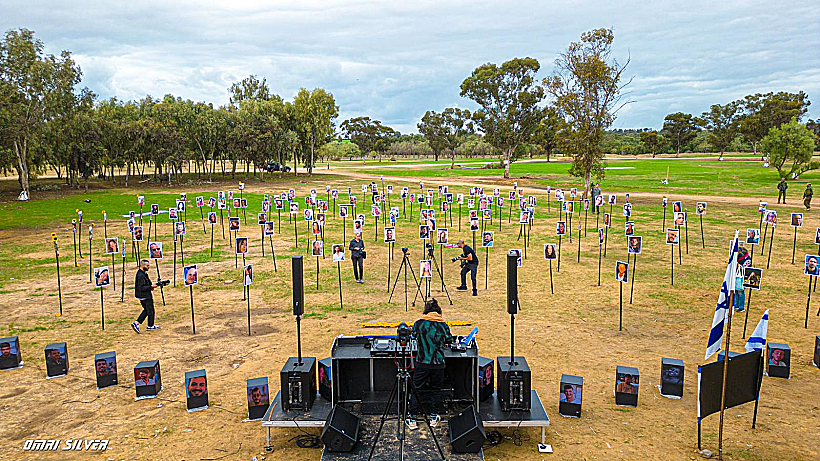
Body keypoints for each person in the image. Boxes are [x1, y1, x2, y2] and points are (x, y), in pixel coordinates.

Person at [406, 299, 454, 430]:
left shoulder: (419, 324)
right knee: (436, 390)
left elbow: (413, 336)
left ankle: (413, 419)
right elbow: (449, 339)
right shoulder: (443, 325)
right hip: (438, 364)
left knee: (417, 390)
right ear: (438, 311)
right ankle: (433, 417)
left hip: (422, 362)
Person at [132, 259, 159, 333]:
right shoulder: (140, 275)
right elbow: (141, 288)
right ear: (142, 265)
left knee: (147, 310)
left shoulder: (143, 273)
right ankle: (142, 324)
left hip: (144, 295)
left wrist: (151, 286)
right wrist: (150, 287)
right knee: (150, 310)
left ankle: (146, 324)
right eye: (147, 265)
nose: (148, 267)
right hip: (145, 296)